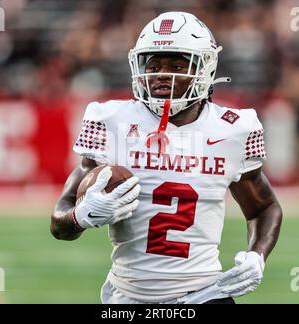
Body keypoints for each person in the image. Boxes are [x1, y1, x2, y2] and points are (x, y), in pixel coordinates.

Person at [50, 12, 283, 304]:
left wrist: (256, 256)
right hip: (128, 296)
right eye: (154, 64)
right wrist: (80, 217)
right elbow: (59, 223)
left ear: (204, 69)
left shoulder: (234, 129)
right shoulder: (111, 120)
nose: (162, 74)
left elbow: (264, 208)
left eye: (177, 65)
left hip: (205, 294)